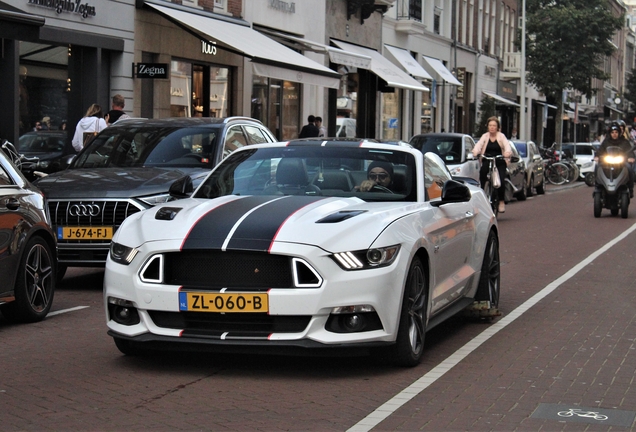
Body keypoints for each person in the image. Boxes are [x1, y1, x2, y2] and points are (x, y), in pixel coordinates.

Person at [472, 116, 512, 213]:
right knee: (482, 173)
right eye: (490, 125)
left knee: (501, 180)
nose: (492, 127)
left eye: (494, 125)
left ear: (497, 127)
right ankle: (483, 192)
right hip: (487, 159)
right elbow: (478, 145)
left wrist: (507, 153)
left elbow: (507, 147)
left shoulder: (501, 136)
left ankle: (501, 201)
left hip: (499, 161)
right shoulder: (484, 136)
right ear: (488, 127)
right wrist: (475, 152)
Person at [595, 122, 634, 197]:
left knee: (629, 168)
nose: (614, 134)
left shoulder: (624, 142)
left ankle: (630, 188)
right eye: (612, 132)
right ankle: (597, 185)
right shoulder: (606, 142)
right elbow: (600, 151)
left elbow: (630, 152)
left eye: (616, 132)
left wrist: (630, 158)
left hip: (621, 162)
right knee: (597, 167)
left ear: (619, 133)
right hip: (607, 162)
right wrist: (597, 156)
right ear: (610, 133)